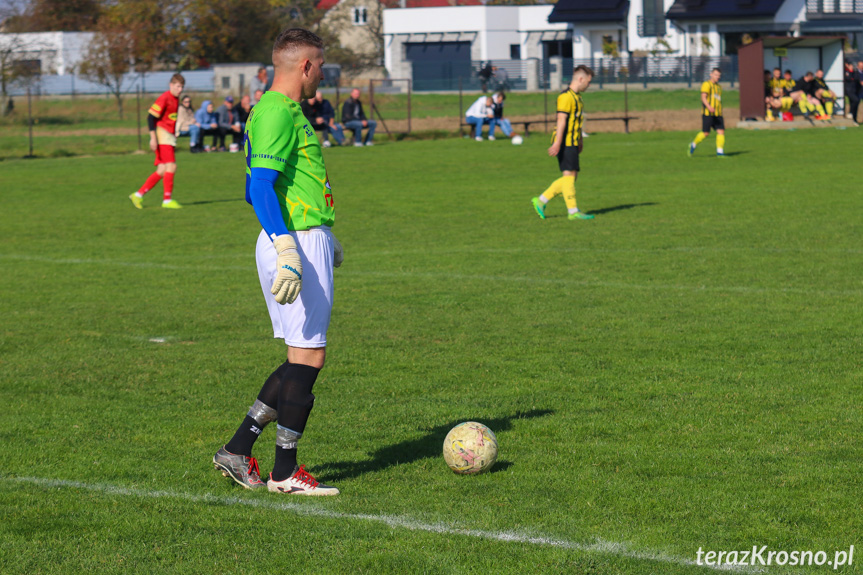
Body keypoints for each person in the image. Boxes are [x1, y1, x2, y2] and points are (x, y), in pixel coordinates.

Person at [213, 27, 343, 496]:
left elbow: (279, 185)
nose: (323, 74)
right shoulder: (275, 111)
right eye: (321, 64)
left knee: (300, 355)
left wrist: (324, 234)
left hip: (306, 237)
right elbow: (259, 187)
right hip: (293, 242)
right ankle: (285, 471)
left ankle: (236, 449)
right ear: (305, 65)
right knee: (309, 354)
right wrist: (290, 246)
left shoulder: (282, 110)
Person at [530, 65, 595, 221]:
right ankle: (573, 212)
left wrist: (579, 140)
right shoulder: (565, 97)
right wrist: (558, 143)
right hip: (564, 142)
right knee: (569, 177)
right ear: (580, 79)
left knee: (572, 177)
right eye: (588, 81)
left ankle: (541, 200)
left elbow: (576, 122)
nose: (589, 85)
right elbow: (561, 119)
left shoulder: (577, 97)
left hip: (572, 142)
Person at [129, 73, 185, 210]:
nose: (180, 89)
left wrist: (174, 131)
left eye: (182, 87)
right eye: (178, 86)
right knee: (171, 167)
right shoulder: (165, 97)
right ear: (171, 85)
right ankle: (167, 200)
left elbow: (170, 118)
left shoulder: (176, 99)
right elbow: (150, 118)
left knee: (162, 170)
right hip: (162, 136)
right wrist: (153, 138)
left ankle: (138, 195)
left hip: (168, 136)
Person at [688, 68, 726, 157]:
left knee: (721, 131)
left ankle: (720, 152)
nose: (718, 77)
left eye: (719, 75)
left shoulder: (719, 87)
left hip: (718, 114)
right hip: (707, 113)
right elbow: (703, 97)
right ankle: (693, 144)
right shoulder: (706, 84)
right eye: (716, 75)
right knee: (705, 133)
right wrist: (709, 107)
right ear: (711, 74)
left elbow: (717, 99)